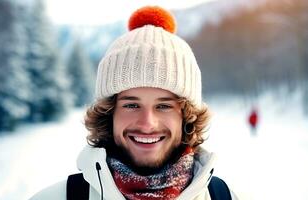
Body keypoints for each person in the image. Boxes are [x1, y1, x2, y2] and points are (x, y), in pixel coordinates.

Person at [30, 5, 238, 200]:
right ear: (108, 114)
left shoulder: (224, 197)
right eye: (131, 105)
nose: (147, 124)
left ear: (186, 116)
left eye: (163, 106)